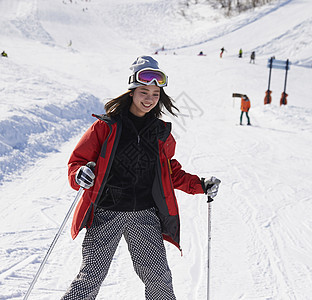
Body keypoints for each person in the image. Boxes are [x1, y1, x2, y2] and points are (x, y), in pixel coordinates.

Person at [62, 56, 221, 300]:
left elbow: (171, 172)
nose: (149, 99)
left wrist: (200, 185)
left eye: (155, 94)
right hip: (106, 212)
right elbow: (77, 162)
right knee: (90, 278)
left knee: (159, 280)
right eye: (144, 92)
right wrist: (80, 174)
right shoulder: (106, 127)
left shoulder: (160, 132)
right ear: (131, 92)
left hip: (144, 215)